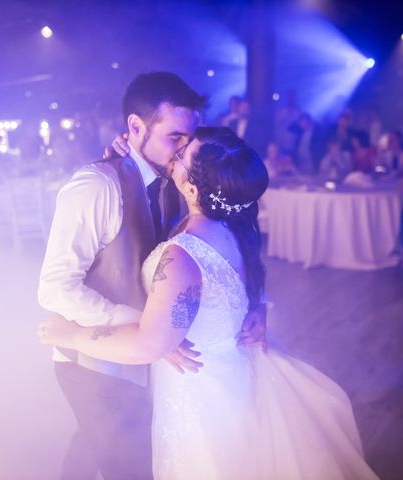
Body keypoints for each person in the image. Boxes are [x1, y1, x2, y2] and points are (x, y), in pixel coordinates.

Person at [39, 127, 379, 480]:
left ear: (192, 188)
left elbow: (148, 345)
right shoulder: (234, 226)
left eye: (184, 152)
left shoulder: (183, 257)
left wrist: (71, 335)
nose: (177, 151)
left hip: (199, 395)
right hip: (231, 376)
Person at [38, 72, 266, 480]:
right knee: (121, 464)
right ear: (135, 127)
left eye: (189, 140)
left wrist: (255, 305)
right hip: (99, 362)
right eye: (175, 138)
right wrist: (149, 332)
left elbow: (217, 253)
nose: (184, 151)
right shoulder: (96, 187)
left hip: (153, 357)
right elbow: (55, 288)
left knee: (109, 456)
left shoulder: (179, 184)